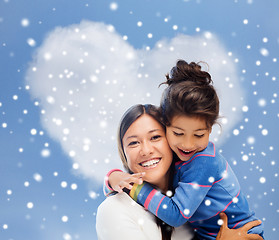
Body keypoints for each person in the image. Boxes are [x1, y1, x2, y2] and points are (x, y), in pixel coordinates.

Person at [106, 60, 264, 239]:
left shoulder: (203, 161)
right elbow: (120, 185)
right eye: (179, 133)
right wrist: (114, 178)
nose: (188, 145)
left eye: (198, 135)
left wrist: (133, 187)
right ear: (166, 125)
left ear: (210, 130)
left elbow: (176, 215)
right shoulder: (176, 157)